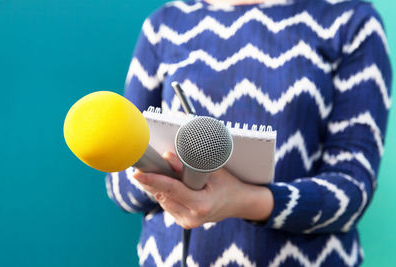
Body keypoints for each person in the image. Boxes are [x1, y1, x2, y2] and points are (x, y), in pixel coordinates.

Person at [105, 0, 392, 266]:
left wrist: (241, 200)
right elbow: (120, 186)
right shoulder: (164, 24)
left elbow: (352, 192)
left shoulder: (351, 20)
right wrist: (169, 172)